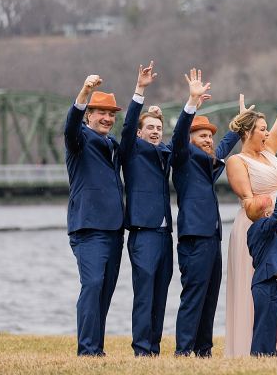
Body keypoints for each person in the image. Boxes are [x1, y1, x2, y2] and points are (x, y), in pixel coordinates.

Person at [224, 65, 277, 358]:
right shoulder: (237, 161)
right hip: (256, 229)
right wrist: (275, 203)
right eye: (261, 129)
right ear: (248, 133)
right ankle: (253, 349)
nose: (267, 132)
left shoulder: (268, 151)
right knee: (260, 288)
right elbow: (247, 202)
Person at [173, 69, 242, 357]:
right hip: (195, 238)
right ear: (190, 139)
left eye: (209, 136)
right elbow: (178, 135)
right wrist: (192, 103)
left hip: (212, 238)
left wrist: (238, 127)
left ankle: (203, 350)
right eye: (201, 136)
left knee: (210, 296)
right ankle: (184, 351)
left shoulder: (206, 165)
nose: (207, 140)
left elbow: (222, 150)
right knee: (194, 296)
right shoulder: (182, 157)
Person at [64, 74, 124, 356]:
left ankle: (96, 349)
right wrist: (85, 90)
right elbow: (70, 126)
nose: (107, 118)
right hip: (88, 229)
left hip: (114, 230)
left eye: (111, 114)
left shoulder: (112, 145)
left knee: (105, 291)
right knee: (93, 285)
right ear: (89, 114)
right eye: (101, 112)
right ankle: (87, 351)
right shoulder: (79, 139)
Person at [119, 61, 176, 356]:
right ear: (141, 133)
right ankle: (141, 348)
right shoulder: (131, 151)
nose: (154, 132)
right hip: (144, 233)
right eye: (150, 128)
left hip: (166, 234)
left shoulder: (163, 153)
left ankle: (154, 346)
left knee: (161, 293)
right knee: (144, 294)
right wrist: (140, 91)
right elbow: (127, 126)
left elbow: (177, 142)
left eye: (158, 128)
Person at [246, 172, 277, 356]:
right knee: (264, 319)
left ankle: (270, 353)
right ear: (265, 213)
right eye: (271, 208)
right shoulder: (261, 226)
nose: (274, 210)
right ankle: (257, 354)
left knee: (271, 319)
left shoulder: (261, 229)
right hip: (264, 282)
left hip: (271, 280)